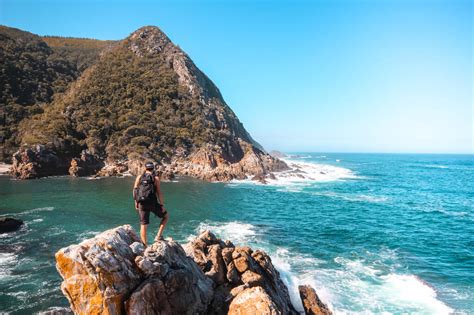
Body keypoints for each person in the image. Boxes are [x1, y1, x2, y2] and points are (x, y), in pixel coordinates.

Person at [133, 162, 169, 246]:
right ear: (153, 169)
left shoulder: (139, 177)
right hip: (152, 203)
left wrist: (136, 201)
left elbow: (135, 190)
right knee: (166, 216)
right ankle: (158, 236)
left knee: (143, 224)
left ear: (145, 168)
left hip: (141, 203)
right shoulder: (155, 178)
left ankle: (144, 245)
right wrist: (162, 205)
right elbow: (159, 193)